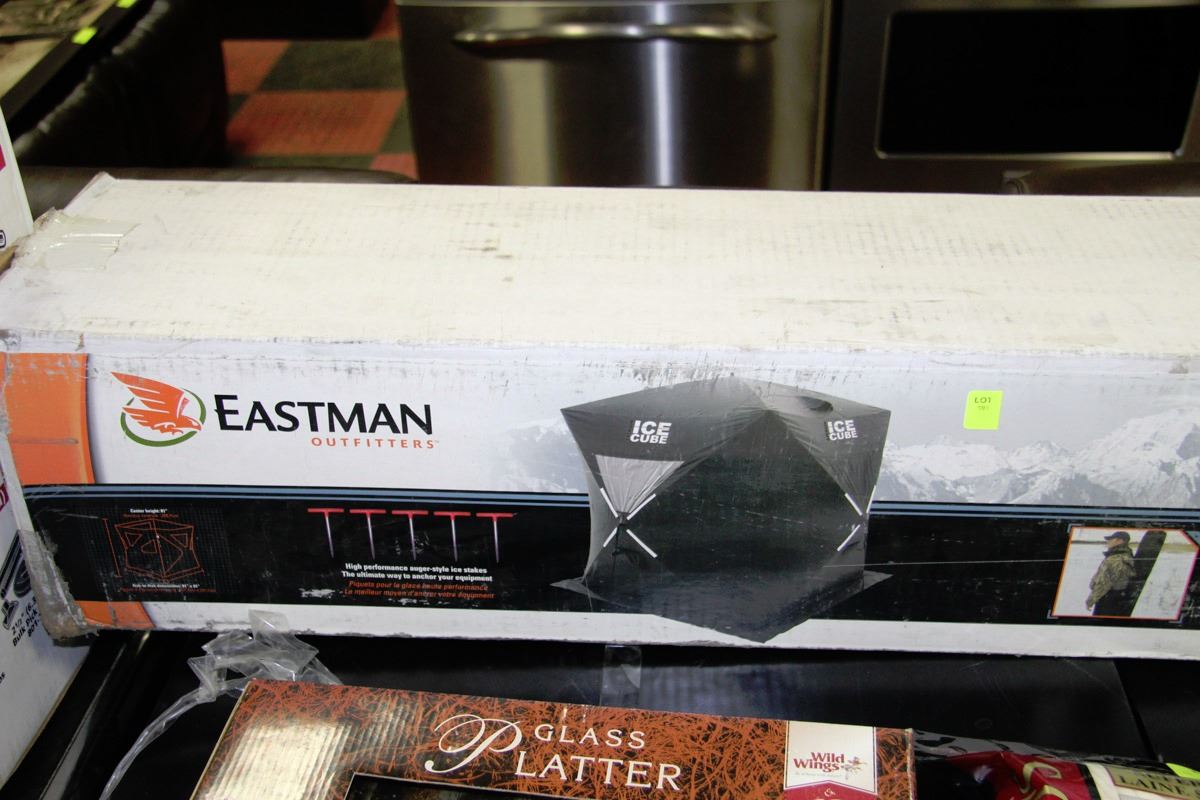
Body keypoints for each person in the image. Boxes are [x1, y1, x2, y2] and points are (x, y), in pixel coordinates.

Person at [1087, 531, 1136, 616]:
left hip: (1107, 601)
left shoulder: (1115, 559)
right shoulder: (1125, 556)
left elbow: (1104, 583)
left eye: (1111, 539)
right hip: (1117, 600)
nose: (1108, 541)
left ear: (1120, 541)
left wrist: (1091, 600)